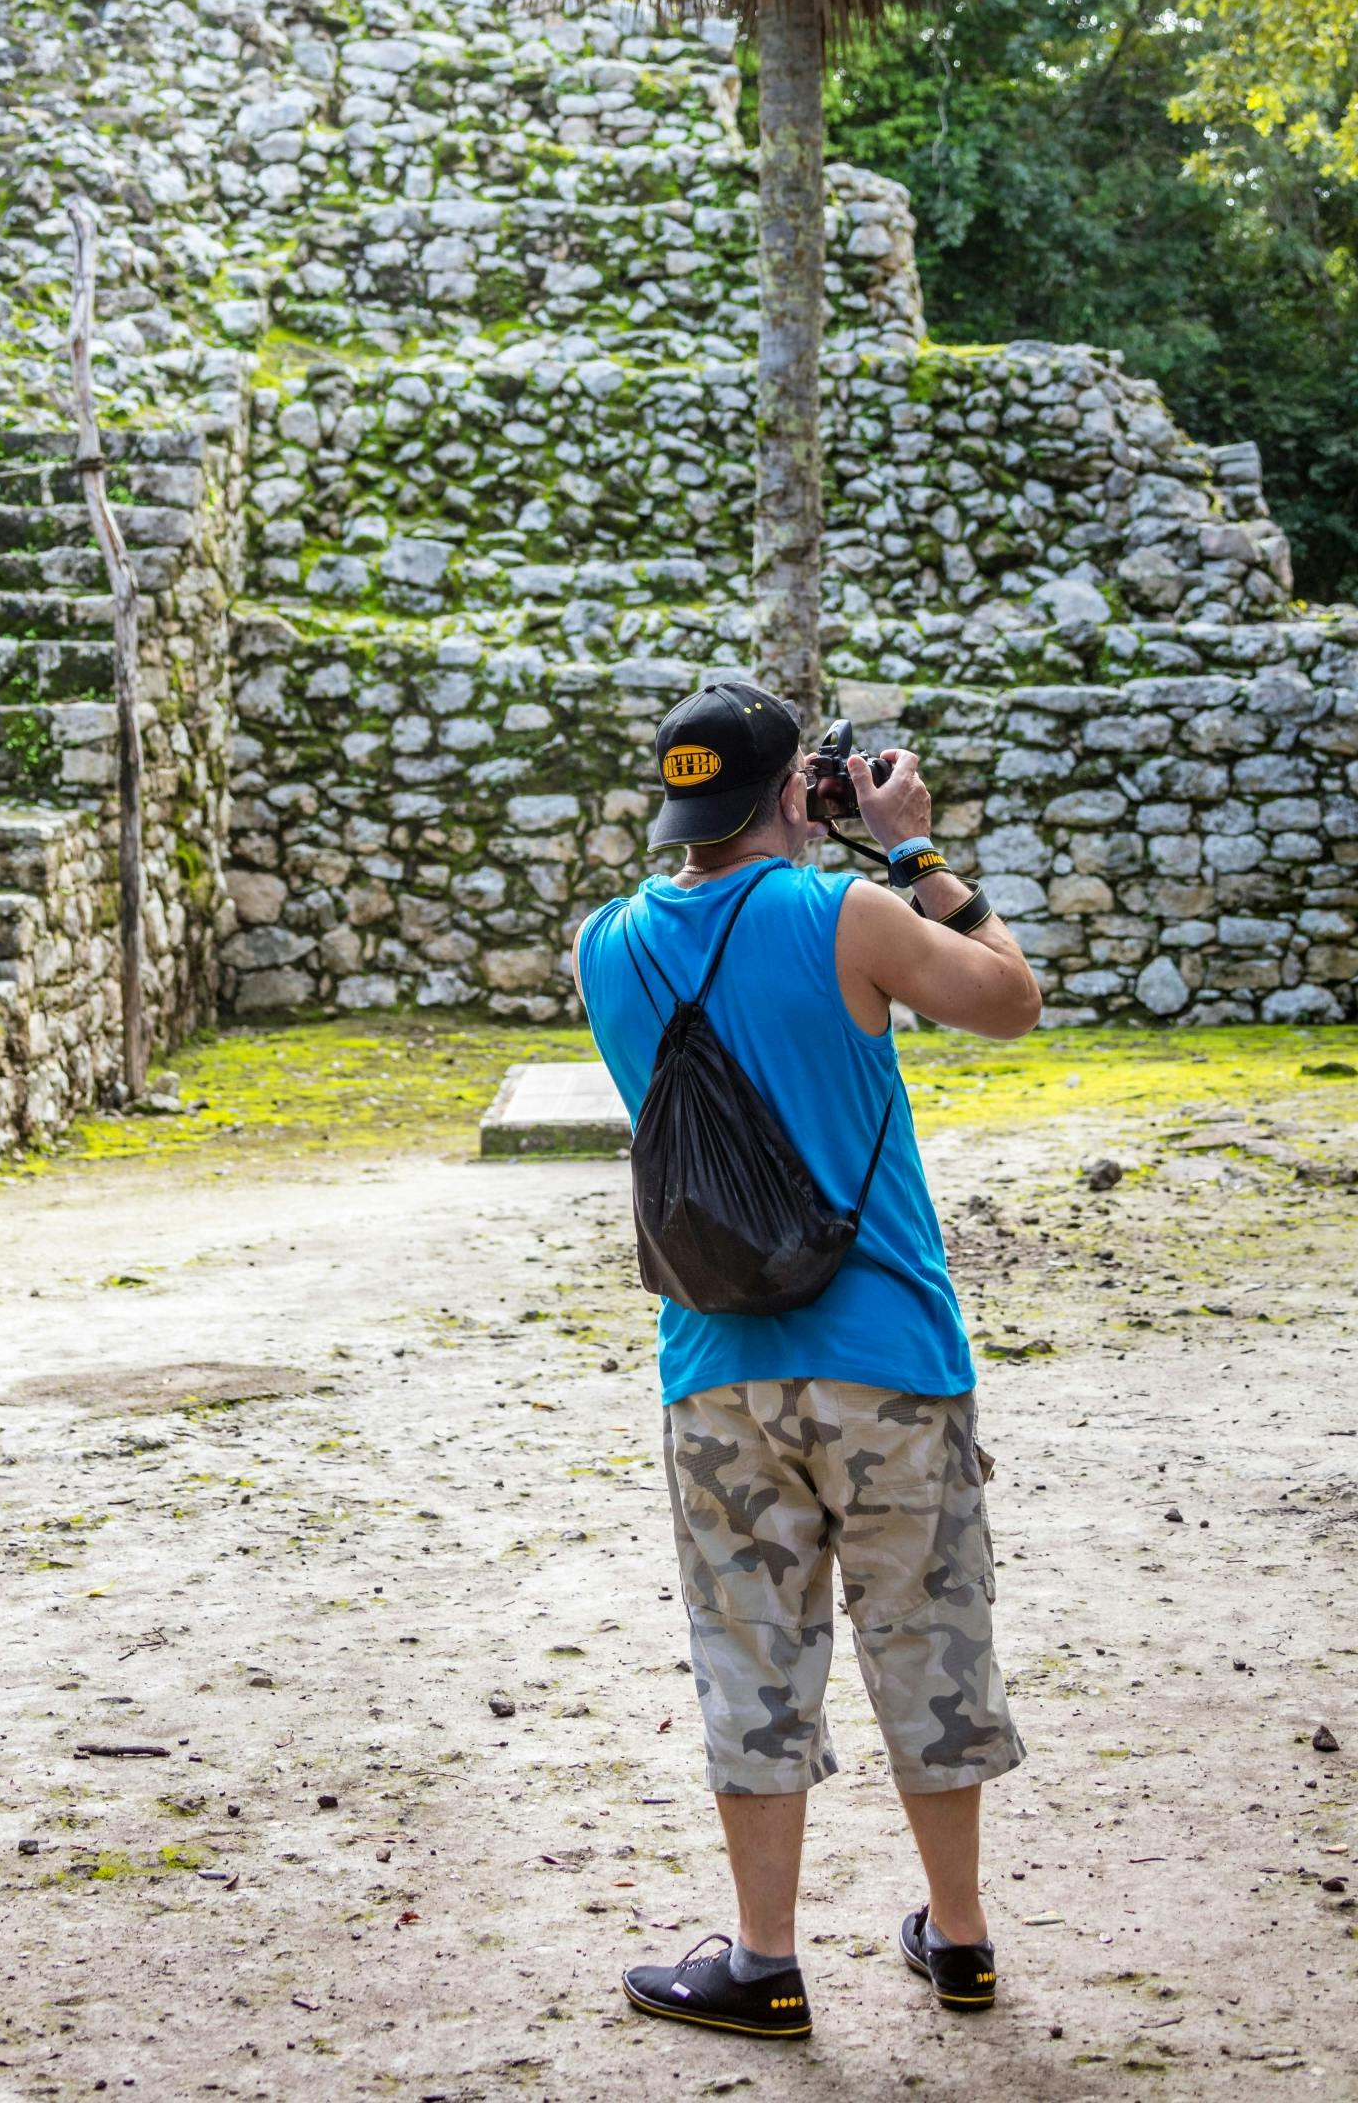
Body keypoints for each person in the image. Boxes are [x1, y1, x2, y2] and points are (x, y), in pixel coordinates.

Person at [573, 677, 1040, 2043]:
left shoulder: (607, 946)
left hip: (714, 1362)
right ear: (795, 792)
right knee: (928, 1640)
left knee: (752, 1656)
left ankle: (765, 1961)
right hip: (889, 1355)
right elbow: (1010, 1002)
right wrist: (910, 848)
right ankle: (960, 1939)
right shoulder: (851, 914)